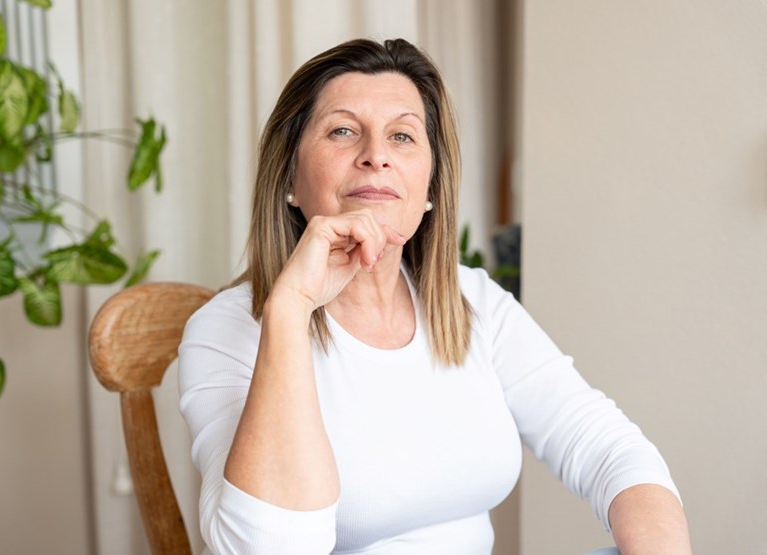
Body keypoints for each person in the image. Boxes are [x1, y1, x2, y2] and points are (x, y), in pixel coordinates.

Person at [178, 38, 692, 555]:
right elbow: (268, 550)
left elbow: (610, 450)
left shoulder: (473, 301)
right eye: (342, 131)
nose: (375, 155)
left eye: (402, 136)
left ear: (429, 190)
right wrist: (290, 311)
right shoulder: (227, 329)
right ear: (289, 176)